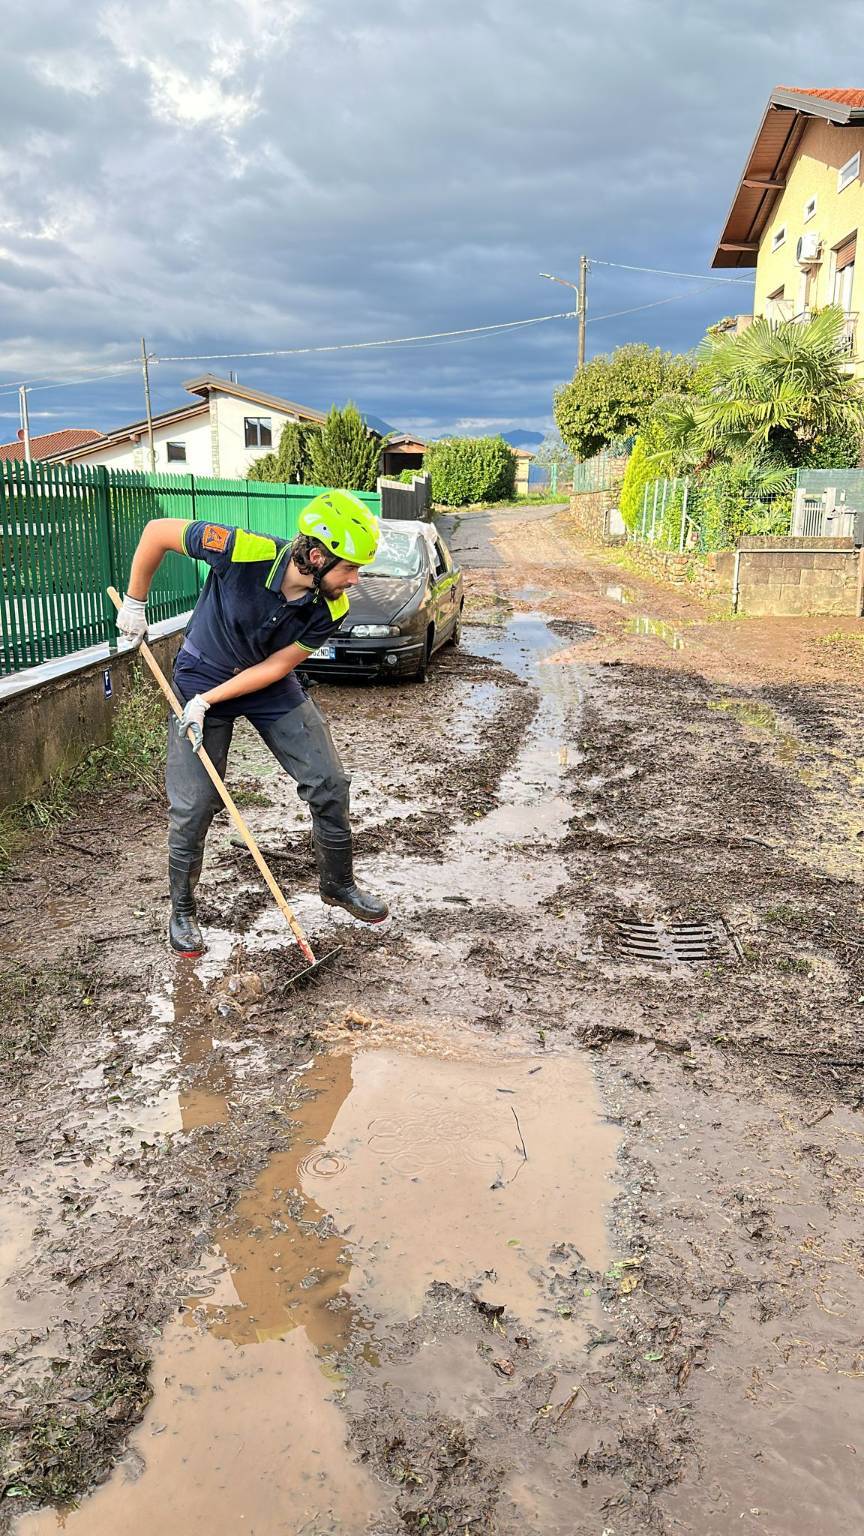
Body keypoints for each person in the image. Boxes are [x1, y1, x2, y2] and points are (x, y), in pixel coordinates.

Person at [116, 489, 389, 957]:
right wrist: (135, 603)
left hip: (264, 684)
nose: (356, 580)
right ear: (318, 557)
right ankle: (181, 911)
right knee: (194, 804)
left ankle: (338, 884)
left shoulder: (331, 607)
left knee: (328, 782)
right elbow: (156, 533)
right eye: (350, 568)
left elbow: (279, 667)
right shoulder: (242, 549)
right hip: (201, 671)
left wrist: (210, 701)